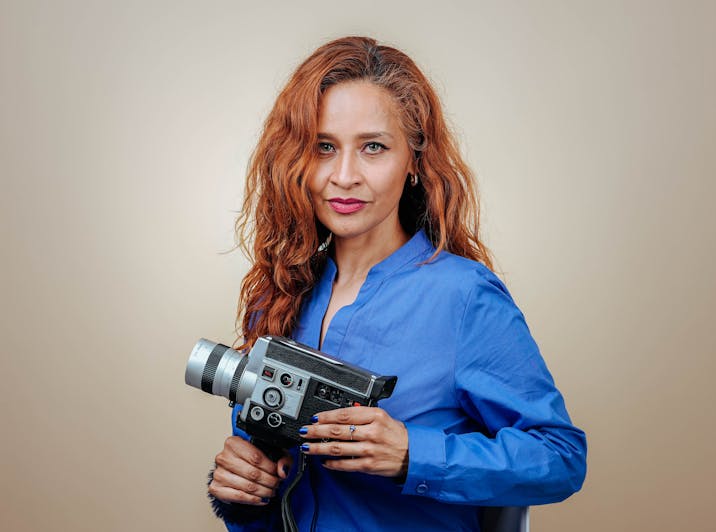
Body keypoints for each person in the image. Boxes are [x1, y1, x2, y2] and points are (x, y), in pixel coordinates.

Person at [207, 36, 587, 531]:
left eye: (373, 147)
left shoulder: (463, 296)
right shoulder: (280, 293)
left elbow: (559, 457)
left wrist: (412, 454)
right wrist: (242, 490)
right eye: (324, 147)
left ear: (414, 159)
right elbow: (275, 489)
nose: (344, 176)